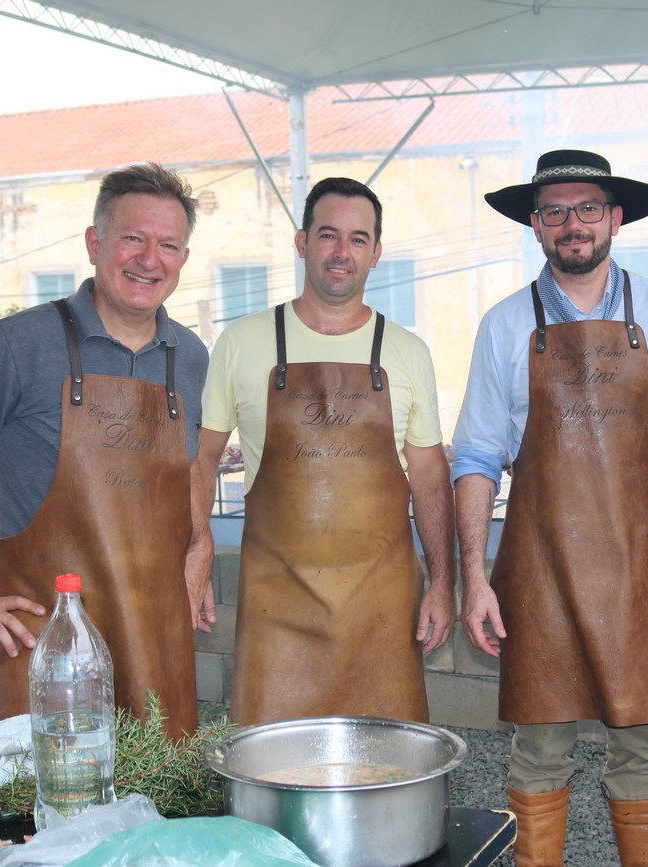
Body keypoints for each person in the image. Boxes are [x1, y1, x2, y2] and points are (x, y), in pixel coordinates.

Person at [452, 149, 648, 867]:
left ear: (615, 217)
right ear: (535, 225)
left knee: (642, 751)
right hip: (540, 573)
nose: (572, 224)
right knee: (539, 751)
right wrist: (474, 576)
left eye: (587, 209)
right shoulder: (505, 325)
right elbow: (476, 456)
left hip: (639, 571)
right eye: (555, 212)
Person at [0, 163, 208, 739]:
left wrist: (198, 545)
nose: (149, 259)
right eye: (132, 238)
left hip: (156, 634)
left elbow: (187, 465)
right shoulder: (19, 344)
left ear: (183, 258)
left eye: (168, 245)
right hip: (49, 642)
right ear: (94, 243)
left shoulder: (188, 357)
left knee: (160, 784)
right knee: (55, 787)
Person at [190, 177, 456, 727]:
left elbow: (430, 476)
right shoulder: (242, 342)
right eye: (328, 235)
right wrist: (198, 547)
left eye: (359, 239)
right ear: (302, 242)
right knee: (272, 760)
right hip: (276, 605)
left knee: (385, 761)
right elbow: (202, 458)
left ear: (375, 253)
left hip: (382, 605)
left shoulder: (407, 352)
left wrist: (442, 582)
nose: (342, 252)